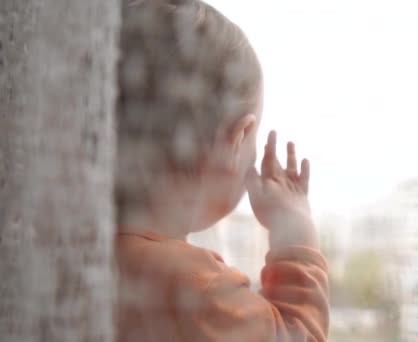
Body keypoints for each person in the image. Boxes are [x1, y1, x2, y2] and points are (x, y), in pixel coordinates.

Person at [114, 1, 329, 341]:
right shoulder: (198, 289)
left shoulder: (86, 248)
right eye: (253, 141)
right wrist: (296, 229)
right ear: (238, 138)